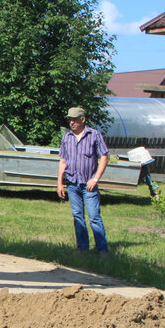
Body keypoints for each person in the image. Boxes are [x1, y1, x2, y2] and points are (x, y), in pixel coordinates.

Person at [56, 106, 109, 255]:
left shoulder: (94, 135)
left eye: (74, 119)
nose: (71, 122)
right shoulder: (67, 138)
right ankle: (82, 249)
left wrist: (95, 178)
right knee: (78, 217)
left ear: (82, 119)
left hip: (89, 185)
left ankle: (103, 251)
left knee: (94, 218)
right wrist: (60, 183)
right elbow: (63, 161)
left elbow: (104, 157)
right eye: (70, 119)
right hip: (72, 184)